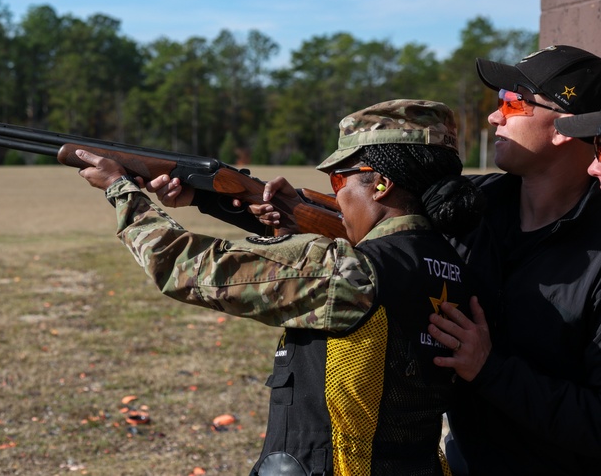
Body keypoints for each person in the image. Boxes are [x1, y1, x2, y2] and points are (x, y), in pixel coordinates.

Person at [76, 99, 483, 476]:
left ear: (380, 185)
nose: (337, 198)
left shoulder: (349, 270)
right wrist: (214, 199)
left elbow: (182, 267)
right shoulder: (456, 265)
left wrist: (121, 190)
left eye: (340, 182)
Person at [423, 45, 601, 475]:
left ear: (564, 128)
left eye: (513, 101)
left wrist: (489, 369)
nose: (494, 116)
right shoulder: (472, 205)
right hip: (466, 459)